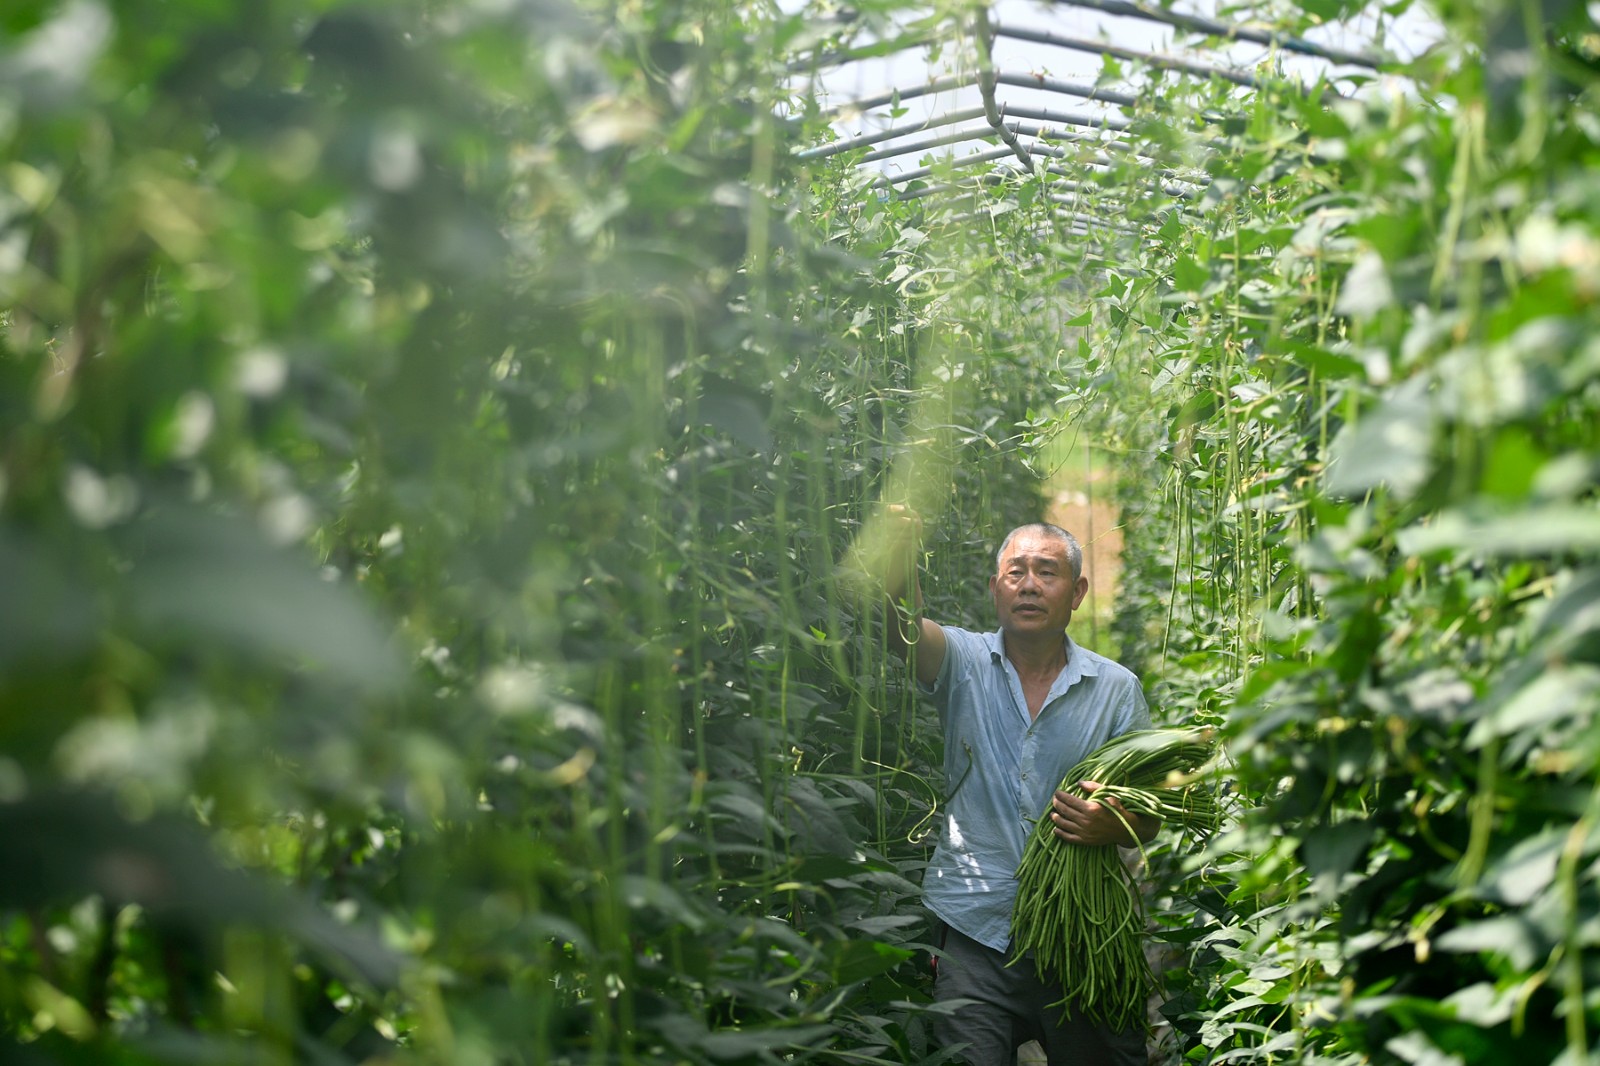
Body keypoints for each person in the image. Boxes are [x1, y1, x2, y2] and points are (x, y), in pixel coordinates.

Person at [880, 512, 1154, 1066]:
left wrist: (1114, 824)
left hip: (1083, 937)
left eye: (1046, 572)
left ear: (1077, 593)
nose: (1028, 585)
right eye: (1015, 572)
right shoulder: (963, 662)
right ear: (995, 588)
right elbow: (901, 630)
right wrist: (899, 554)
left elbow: (1149, 814)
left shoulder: (1117, 690)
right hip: (975, 931)